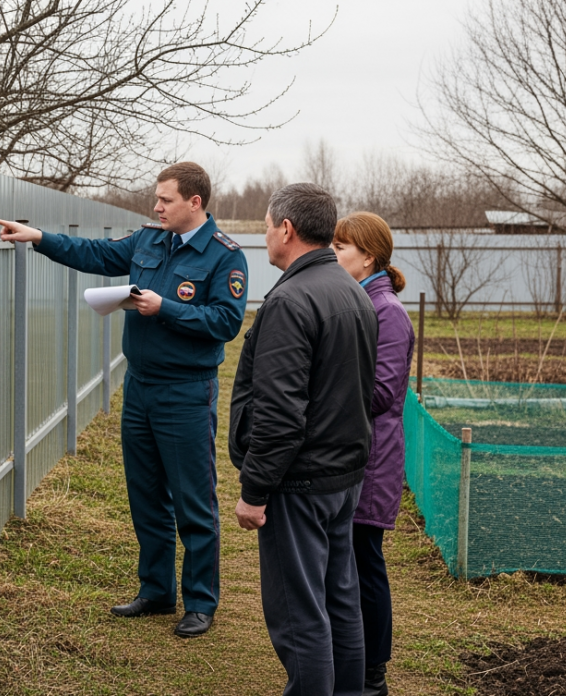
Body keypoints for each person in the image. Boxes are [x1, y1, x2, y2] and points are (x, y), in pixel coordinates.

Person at [0, 162, 247, 638]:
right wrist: (38, 237)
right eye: (157, 198)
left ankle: (200, 602)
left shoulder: (224, 256)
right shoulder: (149, 240)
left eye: (165, 199)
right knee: (145, 494)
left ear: (195, 203)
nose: (156, 206)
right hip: (141, 386)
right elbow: (97, 254)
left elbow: (226, 323)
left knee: (193, 500)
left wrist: (164, 307)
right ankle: (155, 590)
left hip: (186, 392)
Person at [229, 183, 380, 695]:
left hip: (300, 484)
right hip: (343, 478)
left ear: (286, 229)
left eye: (267, 225)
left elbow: (279, 414)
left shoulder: (291, 300)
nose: (265, 235)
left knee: (302, 615)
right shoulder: (352, 292)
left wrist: (254, 491)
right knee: (341, 602)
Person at [331, 212, 416, 696]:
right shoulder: (361, 301)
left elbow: (383, 393)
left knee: (365, 563)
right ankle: (355, 661)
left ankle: (373, 672)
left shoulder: (387, 312)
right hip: (355, 452)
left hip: (373, 459)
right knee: (350, 563)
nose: (335, 254)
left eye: (343, 248)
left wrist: (324, 391)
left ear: (368, 256)